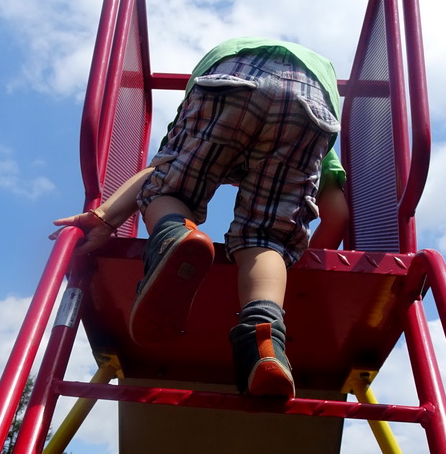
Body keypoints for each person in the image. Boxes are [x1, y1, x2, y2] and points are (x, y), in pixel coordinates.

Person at [53, 38, 346, 399]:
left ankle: (174, 234)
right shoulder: (324, 150)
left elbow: (158, 173)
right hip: (314, 101)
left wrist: (105, 217)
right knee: (268, 238)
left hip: (230, 74)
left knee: (169, 192)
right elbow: (337, 214)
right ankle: (264, 335)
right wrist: (293, 278)